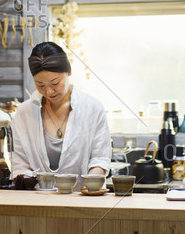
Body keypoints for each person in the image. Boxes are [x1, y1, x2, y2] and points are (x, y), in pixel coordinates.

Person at [11, 41, 111, 187]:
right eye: (40, 85)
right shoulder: (24, 113)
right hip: (38, 203)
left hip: (84, 200)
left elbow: (100, 159)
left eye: (55, 83)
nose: (49, 91)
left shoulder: (92, 108)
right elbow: (19, 163)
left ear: (68, 72)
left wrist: (90, 189)